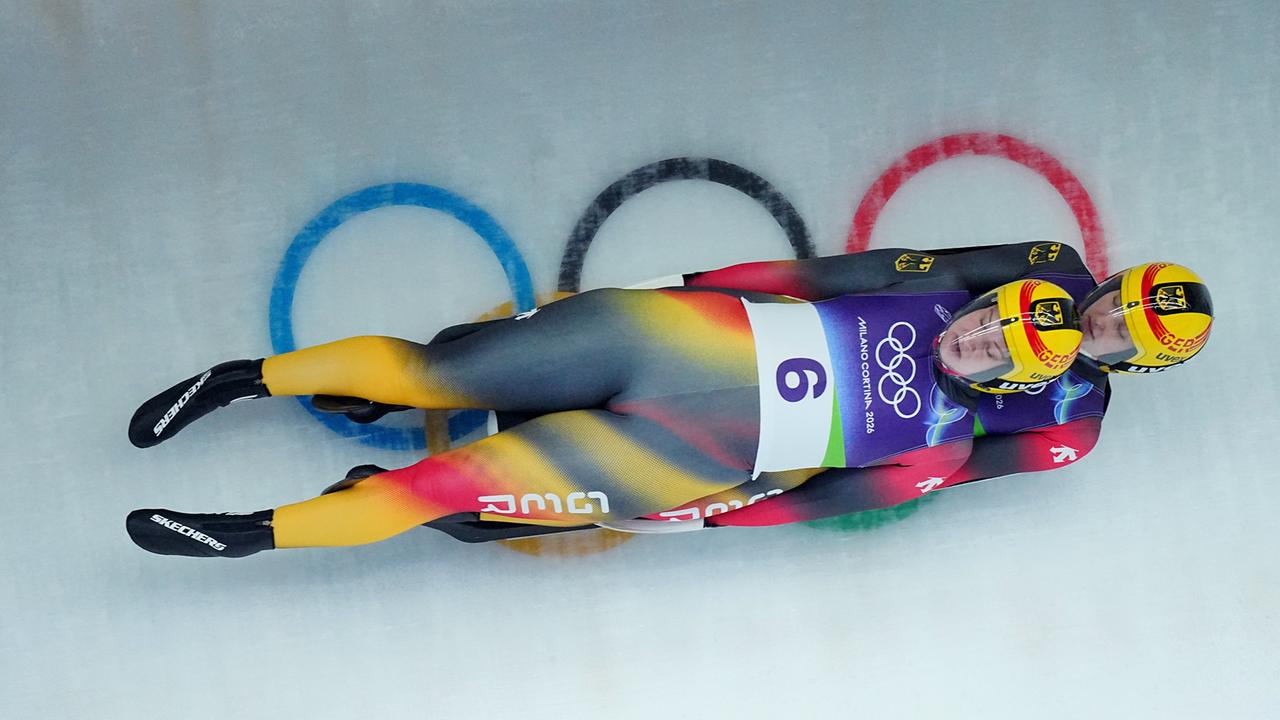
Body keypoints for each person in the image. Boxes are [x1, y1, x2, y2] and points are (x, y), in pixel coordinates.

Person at [124, 276, 1081, 558]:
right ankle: (238, 380)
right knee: (433, 371)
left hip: (668, 452)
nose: (977, 340)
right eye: (988, 320)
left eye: (997, 352)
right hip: (658, 340)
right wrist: (698, 288)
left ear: (1006, 388)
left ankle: (248, 534)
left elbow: (837, 499)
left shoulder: (943, 441)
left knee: (434, 489)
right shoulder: (920, 293)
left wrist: (723, 514)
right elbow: (808, 277)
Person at [422, 242, 1213, 539]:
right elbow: (894, 271)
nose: (1099, 317)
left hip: (807, 435)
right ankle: (424, 383)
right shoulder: (1044, 264)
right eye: (1111, 302)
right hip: (784, 352)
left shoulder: (1070, 428)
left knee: (596, 482)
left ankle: (466, 505)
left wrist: (749, 509)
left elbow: (923, 475)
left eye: (1115, 331)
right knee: (509, 363)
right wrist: (708, 289)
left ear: (1135, 363)